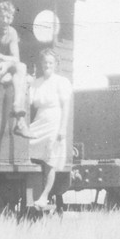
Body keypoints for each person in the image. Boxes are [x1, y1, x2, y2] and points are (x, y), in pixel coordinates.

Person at [0, 1, 34, 139]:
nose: (5, 21)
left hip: (3, 65)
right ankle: (20, 121)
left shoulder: (12, 32)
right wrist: (3, 57)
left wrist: (7, 64)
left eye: (8, 18)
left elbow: (16, 58)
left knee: (21, 67)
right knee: (11, 77)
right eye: (2, 17)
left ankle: (18, 112)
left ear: (12, 18)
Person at [29, 49, 72, 209]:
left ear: (55, 65)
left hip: (54, 121)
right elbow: (31, 102)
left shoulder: (61, 81)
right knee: (27, 147)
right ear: (41, 64)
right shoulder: (37, 82)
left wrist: (62, 129)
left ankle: (44, 196)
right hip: (39, 120)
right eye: (45, 62)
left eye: (50, 62)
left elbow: (66, 106)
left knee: (50, 161)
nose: (47, 65)